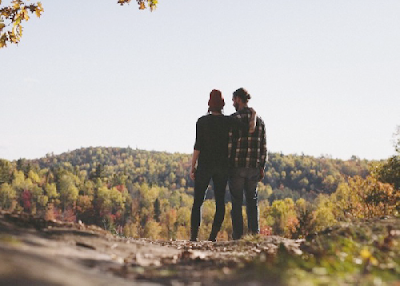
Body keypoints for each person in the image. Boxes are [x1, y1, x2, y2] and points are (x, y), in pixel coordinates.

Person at [190, 89, 255, 242]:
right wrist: (252, 114)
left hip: (204, 165)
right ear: (223, 104)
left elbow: (197, 146)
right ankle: (212, 237)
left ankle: (193, 238)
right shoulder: (228, 121)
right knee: (220, 201)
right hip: (222, 166)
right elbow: (249, 130)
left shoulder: (201, 121)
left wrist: (192, 166)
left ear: (208, 104)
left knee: (198, 201)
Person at [228, 87, 267, 240]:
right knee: (252, 201)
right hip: (253, 166)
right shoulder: (260, 121)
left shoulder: (234, 119)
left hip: (237, 166)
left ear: (238, 99)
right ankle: (254, 234)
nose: (232, 103)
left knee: (236, 202)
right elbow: (263, 146)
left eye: (233, 100)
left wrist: (228, 163)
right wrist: (262, 166)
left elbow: (230, 144)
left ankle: (238, 236)